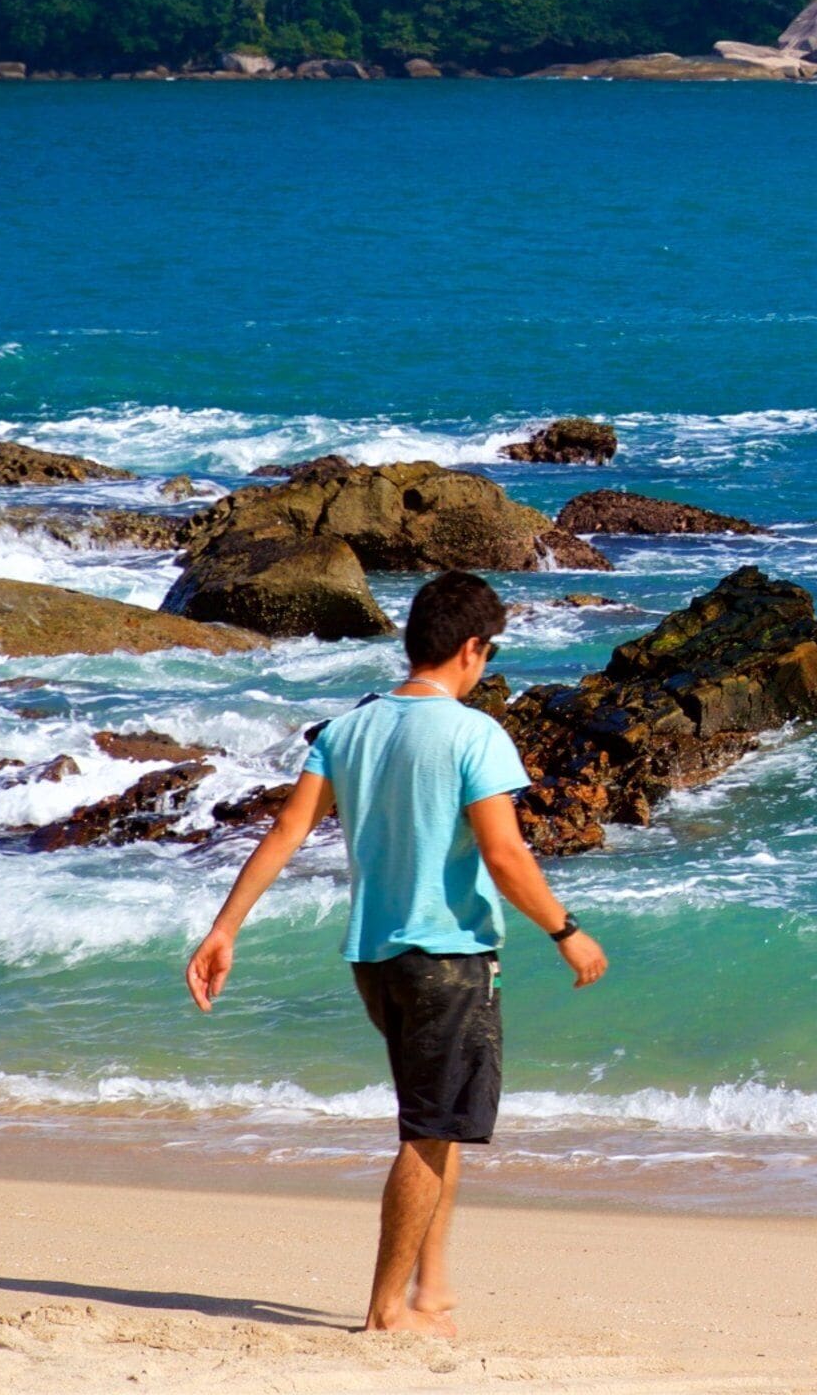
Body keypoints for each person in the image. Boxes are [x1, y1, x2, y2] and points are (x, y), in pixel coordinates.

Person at [184, 572, 609, 1335]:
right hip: (449, 955)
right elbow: (505, 856)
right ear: (473, 650)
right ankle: (386, 1310)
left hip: (374, 959)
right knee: (427, 1132)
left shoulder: (350, 729)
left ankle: (432, 1287)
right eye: (488, 652)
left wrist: (225, 929)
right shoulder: (474, 733)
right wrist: (566, 931)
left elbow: (284, 834)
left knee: (434, 1121)